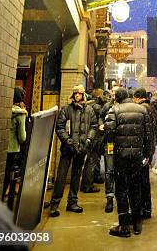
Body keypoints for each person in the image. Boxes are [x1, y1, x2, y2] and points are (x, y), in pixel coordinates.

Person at [104, 87, 153, 238]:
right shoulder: (142, 110)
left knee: (122, 190)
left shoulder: (114, 110)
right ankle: (137, 224)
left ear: (117, 98)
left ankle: (124, 226)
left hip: (121, 157)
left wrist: (112, 148)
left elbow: (109, 132)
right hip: (137, 156)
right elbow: (148, 134)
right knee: (136, 188)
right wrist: (147, 154)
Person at [49, 85, 97, 218]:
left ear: (83, 95)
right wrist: (68, 141)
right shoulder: (66, 109)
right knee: (61, 177)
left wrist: (88, 140)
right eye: (75, 93)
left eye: (79, 93)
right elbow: (59, 127)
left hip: (82, 148)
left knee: (76, 176)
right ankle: (54, 204)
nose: (77, 95)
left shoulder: (89, 110)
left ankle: (72, 202)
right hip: (67, 149)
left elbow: (94, 126)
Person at [2, 87, 27, 204]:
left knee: (2, 173)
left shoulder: (4, 109)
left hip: (1, 147)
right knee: (10, 175)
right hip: (13, 149)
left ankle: (0, 195)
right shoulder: (20, 114)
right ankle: (7, 198)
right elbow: (22, 138)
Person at [133, 88, 154, 219]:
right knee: (144, 181)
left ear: (138, 97)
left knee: (141, 181)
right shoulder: (149, 107)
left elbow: (146, 132)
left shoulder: (143, 109)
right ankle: (146, 209)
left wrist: (146, 152)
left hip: (143, 150)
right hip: (148, 148)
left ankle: (143, 209)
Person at [80, 88, 105, 193]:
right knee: (92, 161)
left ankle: (91, 180)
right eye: (102, 94)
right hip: (95, 137)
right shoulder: (96, 106)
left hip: (89, 136)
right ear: (99, 96)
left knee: (91, 159)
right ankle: (87, 185)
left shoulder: (88, 104)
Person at [100, 86, 119, 213]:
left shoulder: (124, 107)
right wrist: (101, 124)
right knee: (109, 171)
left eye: (115, 92)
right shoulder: (107, 106)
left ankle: (122, 198)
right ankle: (110, 198)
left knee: (121, 172)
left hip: (122, 143)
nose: (113, 94)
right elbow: (100, 116)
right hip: (110, 142)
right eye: (112, 92)